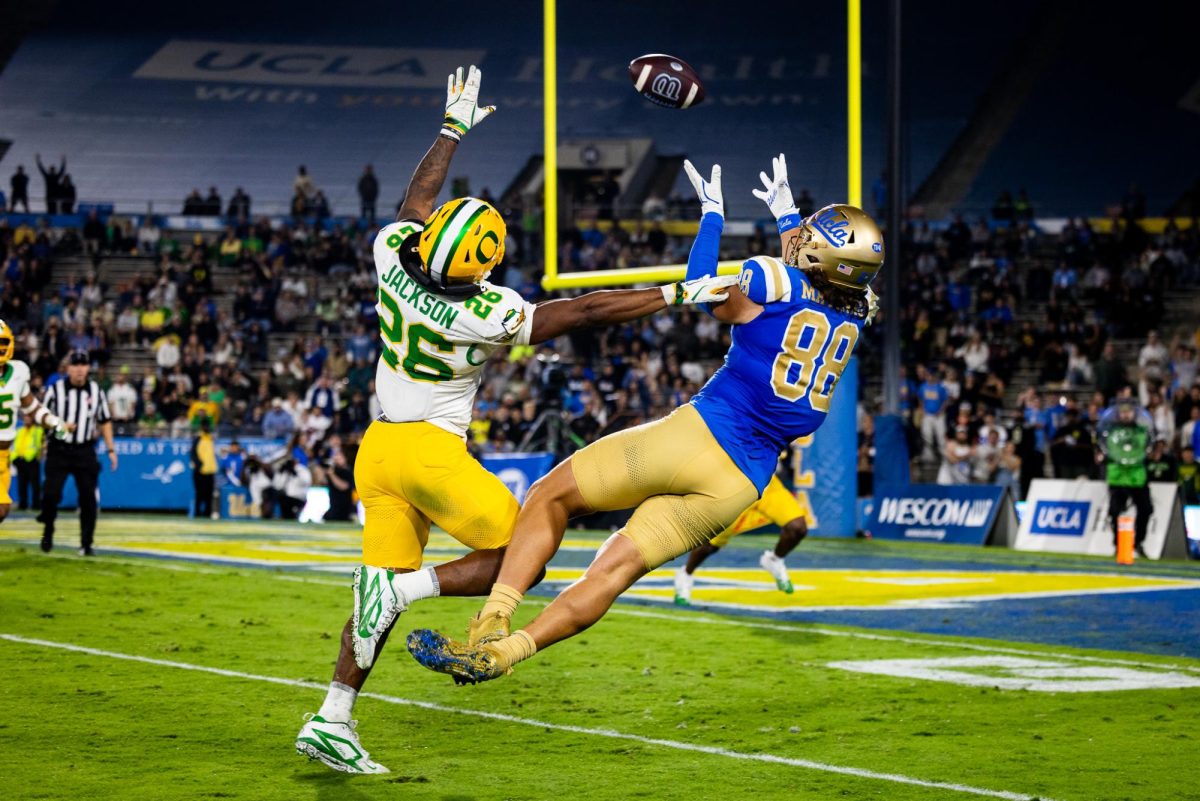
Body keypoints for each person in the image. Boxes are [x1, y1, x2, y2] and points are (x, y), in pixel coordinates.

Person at [294, 65, 736, 774]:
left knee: (375, 598)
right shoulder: (485, 311)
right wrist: (675, 292)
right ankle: (405, 590)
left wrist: (451, 130)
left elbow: (416, 197)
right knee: (521, 548)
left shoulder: (391, 256)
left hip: (377, 448)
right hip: (430, 452)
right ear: (485, 264)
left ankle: (333, 716)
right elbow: (587, 311)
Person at [405, 153, 882, 685]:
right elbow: (815, 277)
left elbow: (703, 287)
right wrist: (787, 216)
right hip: (743, 481)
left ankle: (492, 623)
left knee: (550, 495)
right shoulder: (862, 308)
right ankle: (508, 654)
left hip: (701, 435)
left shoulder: (771, 277)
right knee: (614, 569)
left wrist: (712, 216)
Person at [673, 473, 809, 605]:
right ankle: (685, 574)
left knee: (797, 527)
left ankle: (774, 560)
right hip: (735, 489)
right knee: (709, 544)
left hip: (767, 485)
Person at [38, 350, 117, 555]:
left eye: (84, 365)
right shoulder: (55, 390)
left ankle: (86, 543)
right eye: (76, 365)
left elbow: (105, 420)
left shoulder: (96, 390)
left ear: (88, 368)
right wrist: (59, 426)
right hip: (59, 448)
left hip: (84, 449)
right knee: (50, 494)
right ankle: (48, 529)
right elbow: (42, 417)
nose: (80, 369)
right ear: (69, 368)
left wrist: (111, 449)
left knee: (88, 498)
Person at [0, 321, 72, 524]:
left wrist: (54, 422)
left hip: (3, 457)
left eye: (3, 342)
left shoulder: (18, 372)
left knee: (2, 509)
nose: (0, 347)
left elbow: (31, 407)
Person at [1095, 399, 1153, 558]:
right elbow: (1102, 447)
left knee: (1146, 509)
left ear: (1134, 413)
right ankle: (1118, 544)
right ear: (1118, 414)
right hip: (1117, 476)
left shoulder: (1142, 431)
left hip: (1137, 476)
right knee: (1114, 511)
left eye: (1129, 412)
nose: (1126, 415)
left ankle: (1138, 542)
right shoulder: (1110, 432)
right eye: (1123, 412)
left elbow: (1149, 447)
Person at [12, 413, 44, 510]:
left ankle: (36, 504)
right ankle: (23, 504)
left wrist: (39, 454)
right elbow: (15, 445)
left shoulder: (38, 431)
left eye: (28, 419)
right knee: (22, 484)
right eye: (25, 419)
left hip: (32, 460)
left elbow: (41, 444)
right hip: (19, 460)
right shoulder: (19, 431)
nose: (26, 421)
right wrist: (14, 458)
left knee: (35, 484)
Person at [191, 418, 218, 519]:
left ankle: (207, 513)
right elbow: (193, 454)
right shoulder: (198, 438)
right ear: (202, 427)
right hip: (200, 471)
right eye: (205, 426)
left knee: (209, 494)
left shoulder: (210, 438)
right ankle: (197, 513)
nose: (207, 428)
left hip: (210, 471)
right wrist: (199, 465)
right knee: (199, 493)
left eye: (208, 426)